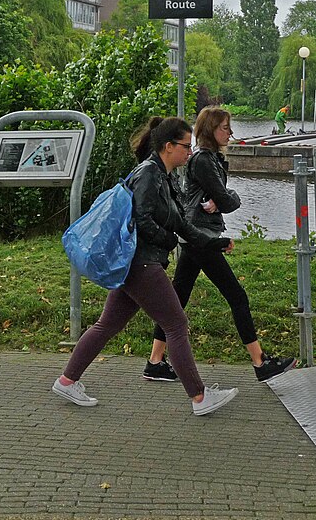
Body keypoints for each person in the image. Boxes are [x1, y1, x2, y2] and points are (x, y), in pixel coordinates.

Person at [52, 116, 240, 416]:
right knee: (176, 325)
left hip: (137, 264)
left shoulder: (165, 177)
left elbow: (182, 224)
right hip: (141, 264)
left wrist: (215, 242)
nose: (189, 153)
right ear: (168, 147)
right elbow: (142, 221)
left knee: (108, 324)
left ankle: (67, 380)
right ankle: (200, 397)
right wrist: (167, 239)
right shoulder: (149, 174)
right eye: (185, 147)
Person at [144, 107, 298, 384]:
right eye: (225, 127)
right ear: (211, 130)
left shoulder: (212, 158)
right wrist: (228, 197)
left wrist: (223, 197)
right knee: (236, 296)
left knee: (177, 298)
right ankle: (260, 362)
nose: (231, 133)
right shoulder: (204, 160)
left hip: (196, 235)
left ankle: (155, 361)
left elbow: (221, 198)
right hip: (201, 236)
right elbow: (226, 201)